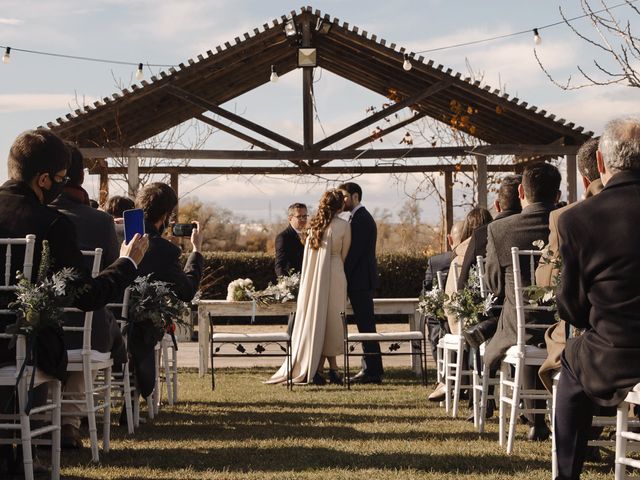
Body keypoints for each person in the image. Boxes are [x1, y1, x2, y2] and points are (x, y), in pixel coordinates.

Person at [0, 129, 148, 474]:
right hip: (19, 349)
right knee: (45, 344)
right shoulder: (51, 223)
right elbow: (84, 296)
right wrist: (127, 263)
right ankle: (25, 452)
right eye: (61, 179)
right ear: (44, 179)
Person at [554, 117, 640, 480]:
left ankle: (568, 474)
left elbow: (572, 307)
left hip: (615, 352)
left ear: (601, 165)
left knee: (570, 365)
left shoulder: (579, 219)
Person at [51, 145, 128, 448]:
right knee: (93, 320)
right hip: (87, 333)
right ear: (81, 177)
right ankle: (69, 422)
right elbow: (112, 278)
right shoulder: (99, 221)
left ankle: (45, 419)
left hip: (39, 328)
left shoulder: (38, 216)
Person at [483, 161, 561, 441]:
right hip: (562, 321)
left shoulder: (500, 230)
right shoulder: (568, 221)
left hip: (519, 326)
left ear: (521, 192)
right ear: (557, 193)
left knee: (521, 326)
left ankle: (535, 421)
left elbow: (494, 285)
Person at [537, 138, 603, 392]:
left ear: (585, 180)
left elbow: (547, 283)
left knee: (566, 346)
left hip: (590, 333)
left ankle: (568, 425)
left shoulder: (565, 218)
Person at [129, 182, 204, 401]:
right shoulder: (163, 250)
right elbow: (187, 291)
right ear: (164, 216)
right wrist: (197, 251)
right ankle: (136, 396)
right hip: (140, 332)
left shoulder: (112, 235)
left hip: (106, 325)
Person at [268, 189, 350, 385]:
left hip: (315, 278)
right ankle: (331, 370)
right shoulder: (344, 225)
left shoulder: (315, 226)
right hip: (336, 274)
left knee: (319, 320)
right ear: (339, 206)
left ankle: (323, 369)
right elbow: (344, 253)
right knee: (333, 321)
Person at [458, 175, 522, 349]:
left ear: (497, 205)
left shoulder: (482, 234)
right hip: (540, 318)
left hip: (494, 320)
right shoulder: (547, 228)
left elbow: (463, 285)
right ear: (524, 198)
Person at [337, 182, 383, 384]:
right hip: (361, 280)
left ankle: (371, 371)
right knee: (365, 326)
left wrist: (341, 276)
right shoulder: (357, 218)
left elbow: (354, 255)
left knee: (366, 327)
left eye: (344, 196)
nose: (342, 200)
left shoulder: (361, 219)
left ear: (355, 196)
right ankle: (372, 368)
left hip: (360, 281)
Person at [426, 221, 463, 402]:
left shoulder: (437, 262)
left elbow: (426, 297)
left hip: (451, 325)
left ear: (450, 240)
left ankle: (445, 378)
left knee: (434, 320)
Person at [274, 203, 307, 277]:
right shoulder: (283, 237)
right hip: (294, 282)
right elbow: (280, 267)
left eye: (305, 216)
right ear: (290, 219)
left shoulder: (310, 234)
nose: (303, 219)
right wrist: (288, 285)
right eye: (299, 216)